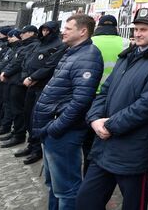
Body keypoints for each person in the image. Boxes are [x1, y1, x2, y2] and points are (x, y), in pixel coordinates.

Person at [77, 9, 148, 210]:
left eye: (143, 29)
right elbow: (105, 91)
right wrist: (94, 119)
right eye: (135, 29)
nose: (137, 33)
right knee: (86, 200)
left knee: (133, 204)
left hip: (134, 148)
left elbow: (147, 105)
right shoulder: (127, 56)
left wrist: (109, 125)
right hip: (104, 146)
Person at [32, 14, 103, 210]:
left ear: (83, 31)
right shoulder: (72, 52)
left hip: (63, 132)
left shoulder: (88, 55)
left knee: (67, 190)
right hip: (53, 129)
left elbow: (81, 100)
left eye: (68, 28)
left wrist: (56, 127)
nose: (63, 32)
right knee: (54, 185)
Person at [15, 21, 66, 165]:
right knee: (28, 115)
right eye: (43, 30)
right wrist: (26, 76)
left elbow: (51, 65)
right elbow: (27, 61)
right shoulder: (40, 44)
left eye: (47, 30)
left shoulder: (59, 45)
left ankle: (37, 149)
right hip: (30, 85)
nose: (44, 33)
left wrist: (34, 77)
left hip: (42, 86)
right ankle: (31, 144)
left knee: (36, 118)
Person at [84, 15, 129, 172]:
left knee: (89, 139)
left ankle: (90, 171)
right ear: (116, 27)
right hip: (115, 96)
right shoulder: (126, 43)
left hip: (90, 95)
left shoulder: (90, 42)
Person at [0, 25, 41, 148]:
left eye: (24, 32)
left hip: (19, 82)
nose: (21, 35)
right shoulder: (24, 45)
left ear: (32, 33)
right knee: (13, 108)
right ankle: (15, 132)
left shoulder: (33, 45)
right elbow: (12, 61)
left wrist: (6, 73)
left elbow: (20, 63)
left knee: (18, 110)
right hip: (13, 81)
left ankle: (19, 135)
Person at [0, 29, 21, 138]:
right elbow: (4, 60)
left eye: (11, 36)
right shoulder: (11, 48)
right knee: (5, 102)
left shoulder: (19, 49)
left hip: (13, 80)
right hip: (5, 77)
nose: (9, 38)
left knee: (12, 107)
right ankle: (3, 123)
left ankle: (8, 127)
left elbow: (14, 63)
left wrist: (5, 73)